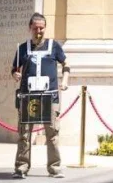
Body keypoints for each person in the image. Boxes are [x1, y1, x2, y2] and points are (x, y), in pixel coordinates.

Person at [10, 13, 68, 179]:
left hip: (50, 97)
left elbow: (66, 64)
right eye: (35, 28)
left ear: (45, 28)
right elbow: (14, 69)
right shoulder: (22, 48)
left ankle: (55, 168)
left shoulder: (54, 46)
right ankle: (21, 168)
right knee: (25, 134)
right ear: (30, 28)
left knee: (52, 134)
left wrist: (65, 80)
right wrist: (15, 75)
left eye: (41, 28)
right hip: (28, 97)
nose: (39, 31)